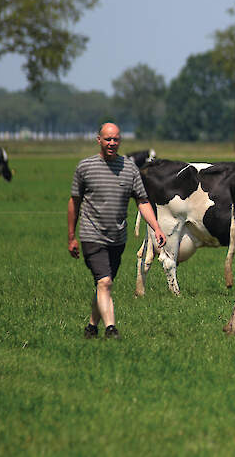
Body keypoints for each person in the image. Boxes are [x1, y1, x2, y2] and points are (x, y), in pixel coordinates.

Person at [67, 122, 166, 339]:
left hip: (117, 237)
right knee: (105, 282)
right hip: (92, 235)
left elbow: (142, 201)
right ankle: (111, 329)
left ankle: (91, 327)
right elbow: (74, 202)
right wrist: (72, 237)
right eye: (108, 139)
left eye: (116, 139)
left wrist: (156, 227)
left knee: (104, 285)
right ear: (99, 140)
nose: (112, 143)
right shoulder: (85, 167)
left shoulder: (130, 168)